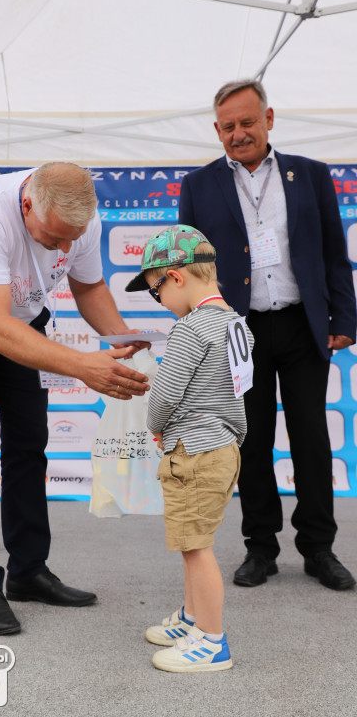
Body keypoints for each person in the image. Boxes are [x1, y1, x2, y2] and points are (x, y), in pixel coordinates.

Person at [0, 161, 150, 635]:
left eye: (74, 238)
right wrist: (84, 366)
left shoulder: (77, 218)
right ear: (27, 205)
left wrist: (117, 336)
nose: (65, 249)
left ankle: (27, 572)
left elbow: (88, 285)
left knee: (29, 442)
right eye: (56, 237)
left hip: (23, 318)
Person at [179, 79, 356, 591]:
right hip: (238, 333)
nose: (239, 134)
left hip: (303, 326)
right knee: (249, 444)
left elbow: (332, 254)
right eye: (228, 126)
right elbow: (188, 268)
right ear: (217, 130)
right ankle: (261, 548)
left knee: (311, 439)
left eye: (247, 122)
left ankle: (319, 548)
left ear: (269, 119)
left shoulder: (312, 176)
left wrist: (343, 320)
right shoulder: (199, 186)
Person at [125, 224, 253, 672]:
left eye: (156, 290)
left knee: (196, 546)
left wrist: (156, 427)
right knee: (192, 540)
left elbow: (164, 396)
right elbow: (237, 392)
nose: (158, 301)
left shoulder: (190, 330)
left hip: (194, 451)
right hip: (223, 447)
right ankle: (193, 617)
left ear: (177, 277)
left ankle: (212, 641)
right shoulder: (237, 323)